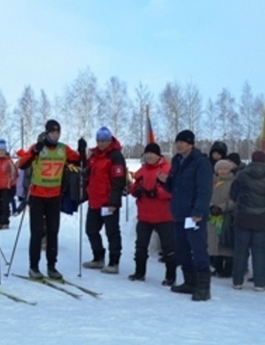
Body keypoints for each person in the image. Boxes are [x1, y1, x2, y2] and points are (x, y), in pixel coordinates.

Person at [16, 120, 81, 280]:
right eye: (52, 132)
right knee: (37, 232)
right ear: (46, 133)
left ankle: (52, 266)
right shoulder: (38, 147)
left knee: (53, 232)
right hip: (37, 196)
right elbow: (22, 164)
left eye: (57, 132)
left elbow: (78, 161)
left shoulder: (63, 149)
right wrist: (33, 152)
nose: (55, 135)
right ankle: (34, 266)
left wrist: (82, 150)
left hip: (54, 196)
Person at [158, 129, 213, 301]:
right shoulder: (177, 160)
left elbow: (205, 190)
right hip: (179, 213)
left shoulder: (201, 162)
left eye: (183, 142)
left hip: (194, 215)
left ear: (191, 144)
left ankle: (204, 287)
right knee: (182, 250)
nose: (179, 145)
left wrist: (198, 211)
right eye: (178, 142)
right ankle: (190, 282)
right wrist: (165, 182)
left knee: (198, 250)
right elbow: (174, 187)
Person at [230, 151, 265, 291]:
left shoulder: (241, 175)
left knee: (241, 250)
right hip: (262, 217)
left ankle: (237, 281)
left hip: (243, 216)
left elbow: (233, 194)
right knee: (260, 250)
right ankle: (260, 282)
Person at [129, 143, 176, 285]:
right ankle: (139, 272)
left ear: (158, 155)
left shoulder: (168, 169)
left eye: (152, 154)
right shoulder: (141, 170)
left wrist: (157, 193)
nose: (149, 156)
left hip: (164, 215)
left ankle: (170, 276)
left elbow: (173, 191)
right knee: (140, 246)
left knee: (169, 248)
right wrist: (135, 191)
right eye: (147, 154)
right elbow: (134, 187)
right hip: (144, 215)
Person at [82, 127, 126, 274]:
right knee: (91, 230)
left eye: (104, 141)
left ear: (109, 140)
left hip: (108, 202)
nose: (101, 144)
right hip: (94, 200)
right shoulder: (94, 155)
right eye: (99, 140)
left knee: (112, 232)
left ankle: (114, 261)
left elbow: (118, 181)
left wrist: (114, 202)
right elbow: (89, 174)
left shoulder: (115, 156)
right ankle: (98, 257)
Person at [208, 159, 236, 278]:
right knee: (214, 242)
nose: (223, 171)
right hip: (213, 216)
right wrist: (211, 206)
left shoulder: (233, 182)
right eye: (220, 169)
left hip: (226, 216)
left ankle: (228, 268)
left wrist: (222, 208)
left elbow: (235, 200)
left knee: (226, 243)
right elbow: (206, 195)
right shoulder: (211, 182)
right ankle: (217, 266)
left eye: (225, 169)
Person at [0, 139, 17, 230]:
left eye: (3, 151)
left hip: (6, 186)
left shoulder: (9, 161)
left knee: (5, 205)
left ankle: (5, 221)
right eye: (0, 151)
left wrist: (13, 185)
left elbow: (14, 174)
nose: (1, 153)